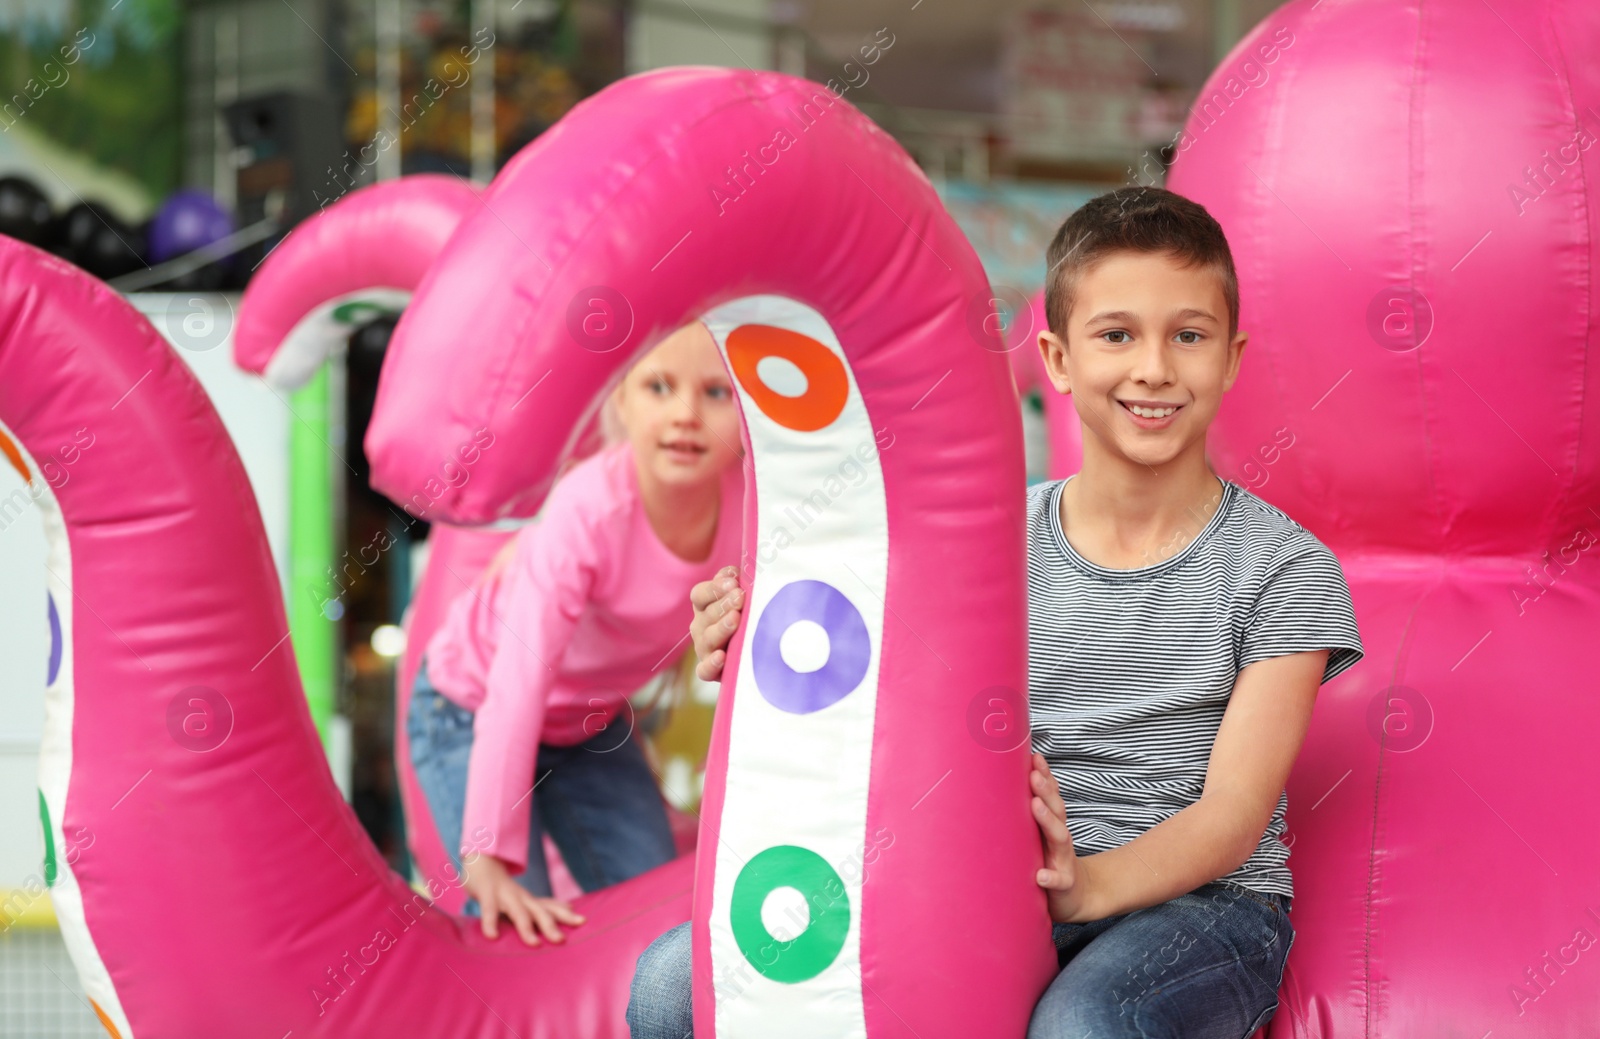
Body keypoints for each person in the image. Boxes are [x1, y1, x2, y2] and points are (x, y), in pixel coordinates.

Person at [625, 187, 1365, 1038]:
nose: (1154, 368)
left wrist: (1086, 885)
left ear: (1231, 358)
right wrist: (756, 640)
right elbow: (882, 694)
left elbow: (1231, 818)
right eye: (1117, 334)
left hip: (1200, 909)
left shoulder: (1285, 567)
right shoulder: (987, 539)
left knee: (1084, 1026)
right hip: (992, 885)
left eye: (1187, 336)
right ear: (1054, 358)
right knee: (670, 982)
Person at [408, 320, 745, 947]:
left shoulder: (747, 505)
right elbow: (517, 681)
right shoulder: (588, 509)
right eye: (659, 387)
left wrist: (714, 638)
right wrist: (486, 852)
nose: (685, 415)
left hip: (587, 723)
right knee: (514, 918)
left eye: (716, 393)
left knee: (660, 918)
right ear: (621, 398)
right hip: (468, 705)